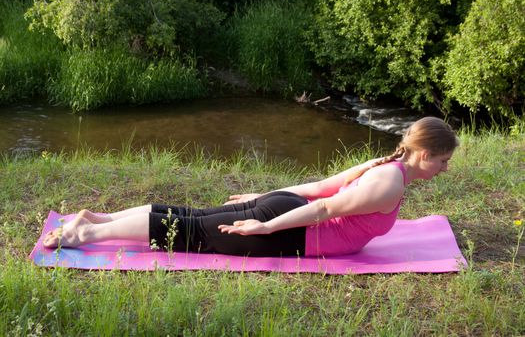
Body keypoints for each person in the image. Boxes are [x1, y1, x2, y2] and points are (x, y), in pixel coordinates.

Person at [43, 116, 459, 257]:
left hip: (285, 210)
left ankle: (100, 219)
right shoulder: (389, 183)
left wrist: (261, 201)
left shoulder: (384, 166)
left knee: (191, 218)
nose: (444, 168)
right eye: (443, 160)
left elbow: (319, 186)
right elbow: (324, 209)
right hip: (292, 228)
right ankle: (89, 233)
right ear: (424, 154)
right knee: (189, 234)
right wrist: (266, 225)